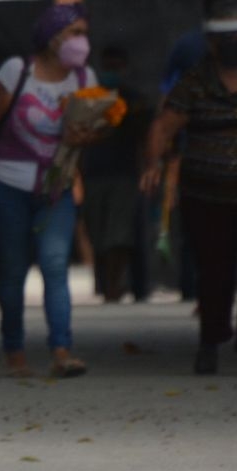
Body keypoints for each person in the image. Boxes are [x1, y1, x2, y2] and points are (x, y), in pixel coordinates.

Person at [0, 3, 99, 378]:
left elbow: (94, 130)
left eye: (84, 33)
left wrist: (86, 137)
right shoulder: (17, 71)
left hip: (56, 186)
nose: (81, 41)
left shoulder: (84, 78)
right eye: (74, 32)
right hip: (8, 183)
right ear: (52, 36)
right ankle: (14, 350)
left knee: (55, 264)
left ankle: (62, 350)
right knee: (12, 271)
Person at [142, 0, 237, 374]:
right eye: (225, 38)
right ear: (212, 43)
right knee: (214, 269)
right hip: (206, 193)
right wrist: (153, 163)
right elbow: (164, 125)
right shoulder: (196, 81)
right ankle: (210, 342)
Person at [81, 46, 149, 304]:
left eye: (116, 66)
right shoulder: (89, 98)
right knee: (97, 233)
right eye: (107, 66)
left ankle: (113, 286)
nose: (111, 71)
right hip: (94, 173)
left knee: (118, 235)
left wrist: (147, 171)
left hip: (124, 174)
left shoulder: (134, 100)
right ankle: (105, 284)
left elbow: (145, 137)